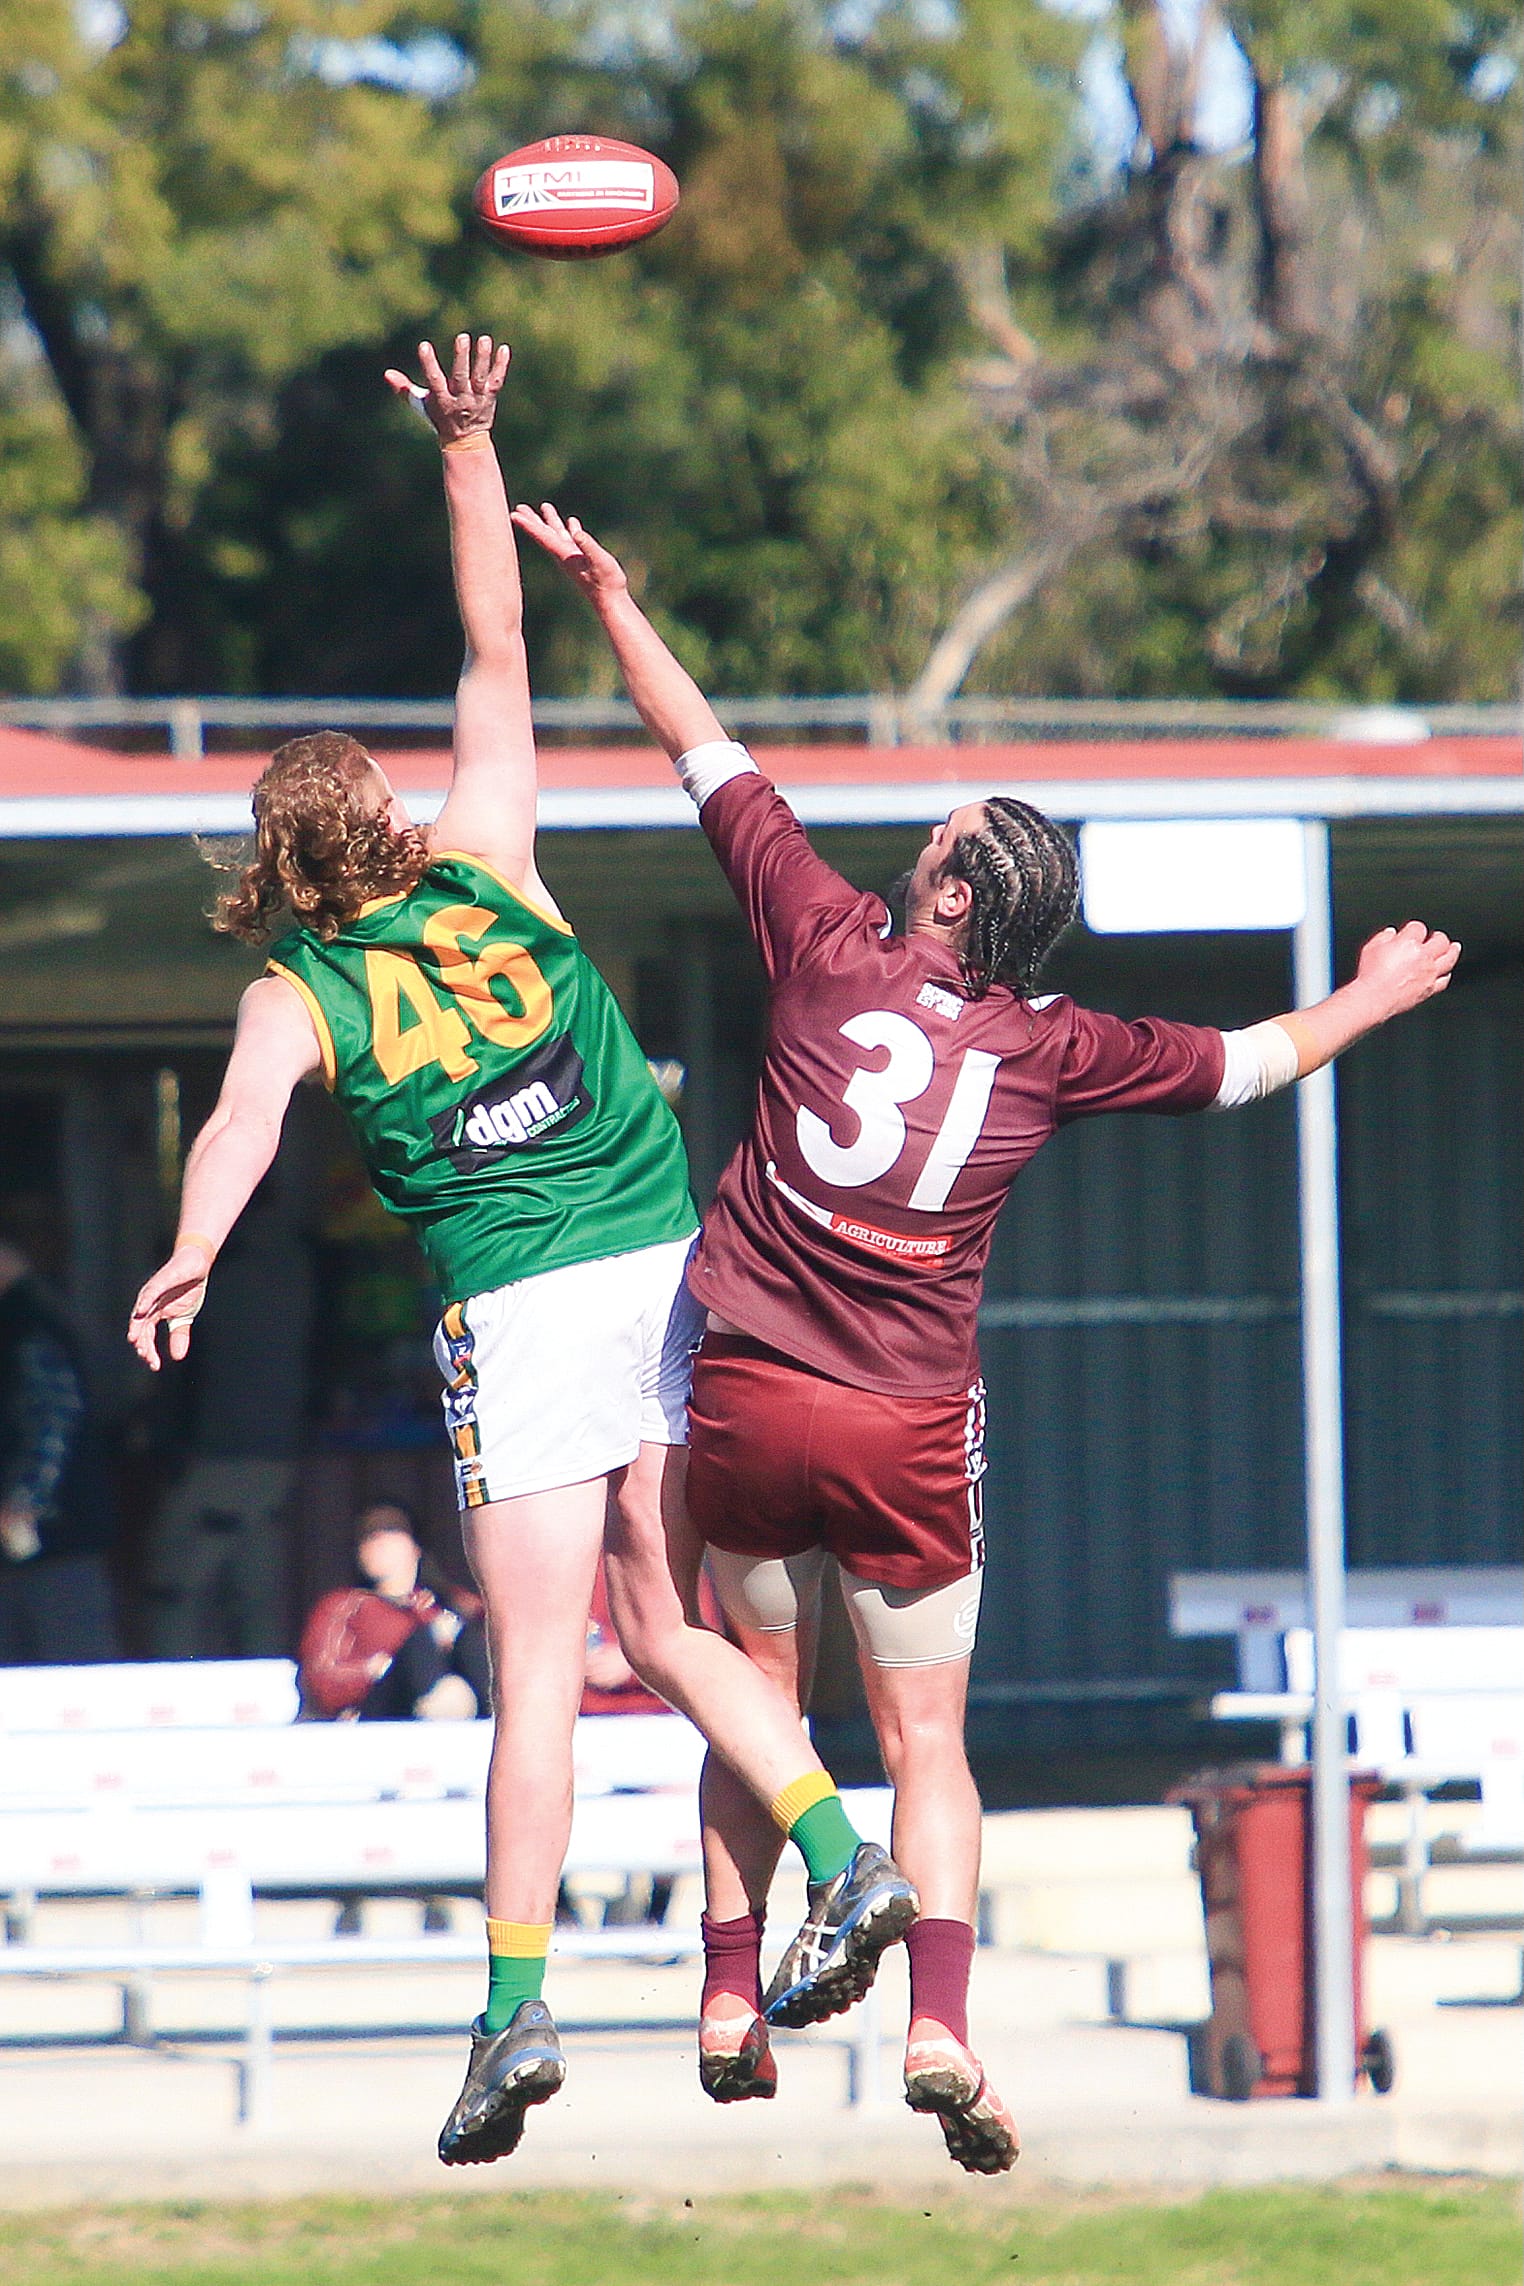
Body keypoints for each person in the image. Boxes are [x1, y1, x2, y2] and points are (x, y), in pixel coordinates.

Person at [512, 498, 1461, 2171]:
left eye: (934, 837)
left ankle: (728, 1998)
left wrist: (608, 592)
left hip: (740, 1391)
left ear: (948, 891)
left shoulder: (816, 941)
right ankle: (937, 2023)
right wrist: (1376, 998)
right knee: (926, 1740)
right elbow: (1246, 1063)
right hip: (900, 1423)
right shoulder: (1057, 1046)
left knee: (753, 1691)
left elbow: (698, 743)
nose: (913, 844)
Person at [127, 336, 912, 2167]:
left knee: (542, 1671)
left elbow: (240, 1132)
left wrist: (186, 1256)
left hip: (525, 1315)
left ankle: (510, 2014)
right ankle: (835, 1846)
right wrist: (468, 449)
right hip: (671, 1268)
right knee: (672, 1615)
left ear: (274, 869)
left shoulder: (293, 990)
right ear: (382, 828)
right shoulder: (486, 851)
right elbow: (498, 648)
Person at [0, 1237, 120, 1666]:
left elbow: (53, 1417)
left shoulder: (25, 1328)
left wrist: (22, 1502)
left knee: (66, 1663)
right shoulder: (46, 1319)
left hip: (47, 1535)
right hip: (55, 1534)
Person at [298, 1499, 488, 1722]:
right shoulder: (344, 1605)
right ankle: (443, 1705)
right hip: (384, 1716)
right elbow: (320, 1680)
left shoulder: (451, 1604)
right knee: (419, 1641)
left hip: (471, 1703)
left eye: (390, 1530)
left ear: (415, 1547)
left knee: (468, 1638)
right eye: (368, 1536)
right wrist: (371, 1670)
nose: (379, 1541)